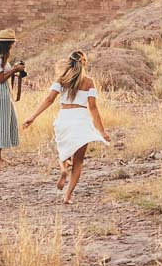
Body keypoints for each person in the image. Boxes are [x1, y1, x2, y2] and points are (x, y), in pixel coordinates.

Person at [22, 49, 110, 203]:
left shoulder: (61, 79)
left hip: (65, 118)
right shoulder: (89, 82)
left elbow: (49, 99)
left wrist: (33, 117)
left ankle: (63, 169)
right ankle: (68, 195)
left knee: (64, 152)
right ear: (84, 64)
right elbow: (93, 107)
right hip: (81, 119)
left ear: (69, 62)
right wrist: (101, 130)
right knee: (79, 161)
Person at [0, 29, 25, 164]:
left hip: (1, 89)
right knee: (0, 121)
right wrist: (14, 70)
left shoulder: (0, 56)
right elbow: (0, 78)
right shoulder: (0, 57)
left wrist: (14, 68)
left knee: (6, 119)